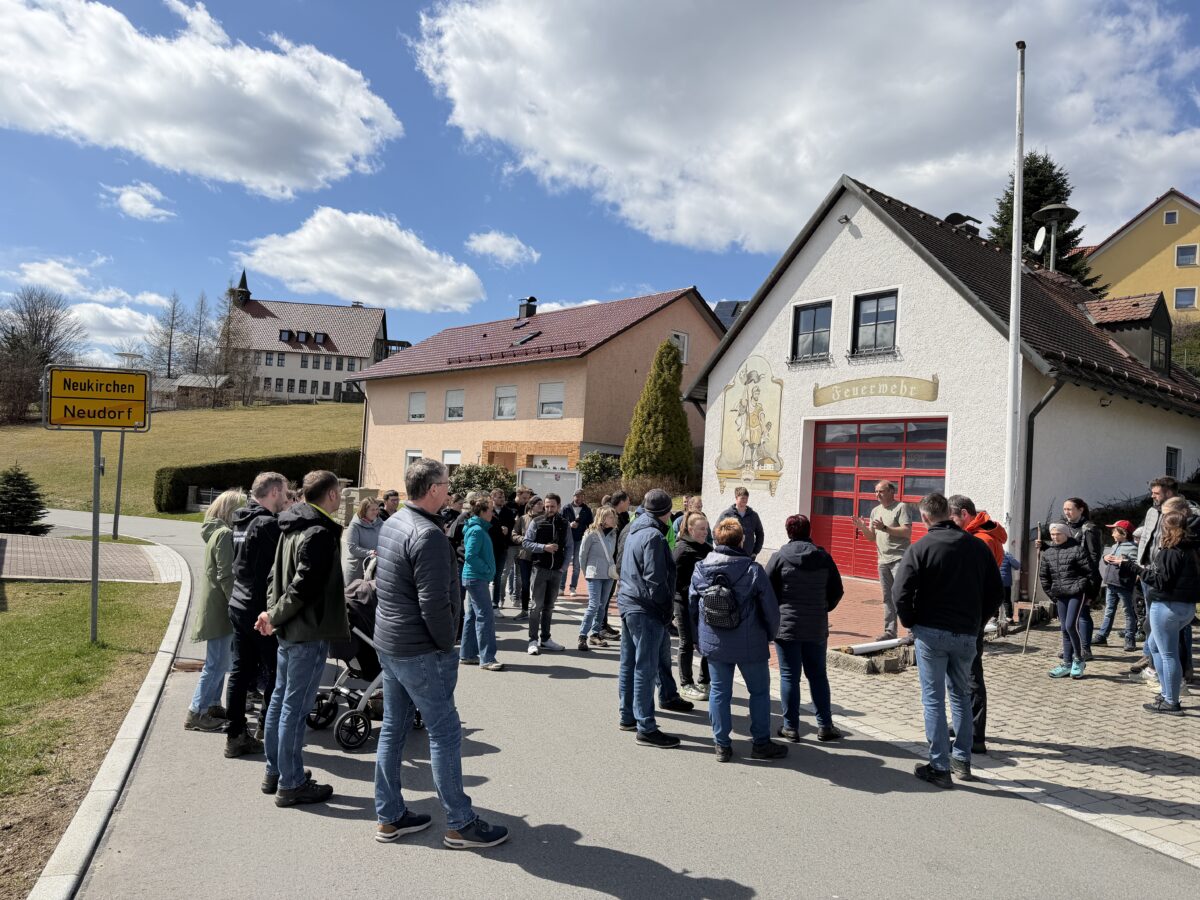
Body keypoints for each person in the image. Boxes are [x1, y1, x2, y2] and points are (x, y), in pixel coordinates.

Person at [373, 458, 509, 848]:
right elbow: (433, 604)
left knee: (394, 730)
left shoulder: (395, 521)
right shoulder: (427, 534)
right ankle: (460, 822)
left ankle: (390, 816)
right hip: (419, 649)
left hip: (392, 643)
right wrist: (447, 643)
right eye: (447, 485)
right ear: (433, 489)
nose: (450, 491)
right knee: (445, 732)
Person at [894, 493, 1002, 787]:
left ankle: (940, 766)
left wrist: (910, 621)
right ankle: (962, 761)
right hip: (966, 633)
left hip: (931, 632)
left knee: (933, 699)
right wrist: (978, 622)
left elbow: (900, 592)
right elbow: (996, 591)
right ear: (949, 513)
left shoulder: (921, 547)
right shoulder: (977, 547)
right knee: (961, 696)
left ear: (925, 517)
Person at [258, 470, 350, 806]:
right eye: (339, 492)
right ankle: (292, 782)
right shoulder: (319, 531)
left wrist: (271, 614)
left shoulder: (292, 523)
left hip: (289, 630)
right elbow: (303, 588)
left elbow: (274, 578)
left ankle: (277, 771)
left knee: (280, 702)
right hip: (306, 632)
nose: (341, 497)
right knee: (293, 710)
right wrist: (274, 615)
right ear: (331, 495)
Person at [690, 517, 785, 762]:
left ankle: (721, 745)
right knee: (759, 692)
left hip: (714, 641)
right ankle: (760, 743)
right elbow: (770, 609)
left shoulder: (701, 568)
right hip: (750, 641)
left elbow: (692, 605)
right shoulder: (753, 570)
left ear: (716, 539)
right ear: (742, 540)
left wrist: (697, 638)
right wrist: (770, 634)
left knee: (719, 692)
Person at [764, 514, 845, 743]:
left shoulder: (779, 557)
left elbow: (766, 590)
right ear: (810, 531)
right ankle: (825, 726)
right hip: (815, 626)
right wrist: (824, 607)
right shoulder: (823, 557)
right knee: (818, 676)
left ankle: (790, 727)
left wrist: (777, 613)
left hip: (787, 626)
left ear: (788, 532)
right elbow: (837, 590)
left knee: (790, 676)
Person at [224, 471, 287, 759]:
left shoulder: (241, 518)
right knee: (276, 671)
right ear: (273, 492)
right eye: (284, 492)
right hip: (260, 608)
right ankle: (266, 728)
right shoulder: (266, 524)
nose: (286, 498)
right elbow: (281, 566)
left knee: (240, 671)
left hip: (238, 603)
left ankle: (235, 735)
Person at [617, 488, 684, 748]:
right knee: (645, 668)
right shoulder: (654, 536)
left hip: (629, 602)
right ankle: (646, 726)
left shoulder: (634, 530)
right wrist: (666, 612)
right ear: (666, 513)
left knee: (629, 663)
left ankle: (628, 716)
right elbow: (656, 580)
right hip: (646, 608)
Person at [948, 494, 1005, 755]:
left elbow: (980, 584)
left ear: (964, 514)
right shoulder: (978, 535)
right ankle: (963, 722)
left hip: (971, 616)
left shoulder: (981, 540)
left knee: (971, 676)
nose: (949, 522)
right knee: (963, 674)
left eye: (951, 517)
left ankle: (975, 735)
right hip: (970, 614)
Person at [184, 488, 245, 733]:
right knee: (217, 663)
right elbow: (226, 575)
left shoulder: (217, 532)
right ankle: (196, 712)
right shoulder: (225, 534)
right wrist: (237, 604)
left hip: (218, 606)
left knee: (220, 661)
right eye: (242, 509)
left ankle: (211, 704)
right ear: (231, 511)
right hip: (222, 608)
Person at [1127, 510, 1196, 715]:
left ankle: (1171, 701)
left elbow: (1160, 581)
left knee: (1168, 654)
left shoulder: (1171, 551)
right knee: (1154, 646)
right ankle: (1167, 693)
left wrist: (1134, 568)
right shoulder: (1192, 549)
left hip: (1167, 606)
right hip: (1186, 607)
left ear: (1167, 528)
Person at [853, 480, 911, 641]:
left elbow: (907, 532)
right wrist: (862, 527)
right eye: (876, 491)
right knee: (887, 598)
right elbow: (872, 537)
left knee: (903, 595)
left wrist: (885, 528)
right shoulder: (875, 511)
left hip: (899, 558)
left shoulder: (901, 507)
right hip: (883, 561)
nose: (877, 494)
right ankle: (890, 631)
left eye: (881, 491)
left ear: (892, 491)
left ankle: (912, 632)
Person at [1039, 522, 1093, 680]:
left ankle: (1079, 660)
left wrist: (1086, 591)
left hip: (1076, 592)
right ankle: (1067, 663)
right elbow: (1044, 576)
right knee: (1064, 628)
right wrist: (1052, 594)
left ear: (1066, 534)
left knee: (1070, 625)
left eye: (1058, 534)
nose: (1055, 537)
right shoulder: (1048, 553)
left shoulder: (1077, 550)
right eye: (1052, 534)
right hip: (1060, 595)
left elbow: (1090, 572)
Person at [460, 496, 503, 671]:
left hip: (475, 577)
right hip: (476, 578)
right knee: (485, 616)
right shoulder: (477, 530)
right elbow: (470, 556)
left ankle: (467, 654)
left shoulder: (477, 528)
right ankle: (487, 658)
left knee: (472, 616)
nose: (493, 514)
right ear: (483, 512)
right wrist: (486, 569)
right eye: (491, 511)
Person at [673, 511, 713, 701]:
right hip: (683, 602)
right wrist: (695, 589)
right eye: (701, 529)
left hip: (704, 604)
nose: (705, 532)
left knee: (707, 642)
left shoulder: (709, 549)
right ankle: (686, 684)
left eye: (706, 528)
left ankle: (704, 681)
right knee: (687, 642)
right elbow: (674, 581)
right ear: (690, 529)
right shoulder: (682, 550)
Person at [524, 492, 569, 655]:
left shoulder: (564, 523)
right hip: (539, 569)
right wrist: (544, 547)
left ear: (559, 506)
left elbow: (569, 546)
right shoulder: (536, 522)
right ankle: (532, 640)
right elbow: (526, 543)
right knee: (536, 606)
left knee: (549, 607)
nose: (549, 509)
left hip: (556, 571)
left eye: (552, 506)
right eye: (547, 506)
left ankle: (546, 638)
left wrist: (563, 566)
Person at [1061, 498, 1101, 659]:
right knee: (1068, 616)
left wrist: (1089, 577)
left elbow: (1094, 556)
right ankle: (1070, 648)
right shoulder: (1065, 527)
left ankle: (1085, 649)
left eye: (1069, 509)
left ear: (1081, 509)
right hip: (1066, 576)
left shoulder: (1089, 529)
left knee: (1083, 613)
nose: (1066, 512)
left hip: (1082, 577)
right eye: (1065, 509)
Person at [577, 505, 618, 649]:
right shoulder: (591, 533)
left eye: (614, 516)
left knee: (602, 606)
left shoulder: (613, 534)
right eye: (611, 517)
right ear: (602, 518)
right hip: (594, 574)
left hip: (609, 574)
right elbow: (582, 555)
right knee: (593, 605)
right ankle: (582, 635)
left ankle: (595, 634)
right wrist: (586, 572)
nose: (614, 519)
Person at [1097, 519, 1139, 652]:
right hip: (1111, 583)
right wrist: (1105, 558)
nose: (1112, 534)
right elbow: (1109, 559)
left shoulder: (1133, 547)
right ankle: (1102, 636)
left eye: (1115, 531)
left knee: (1128, 612)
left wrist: (1123, 561)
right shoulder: (1115, 546)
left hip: (1124, 585)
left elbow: (1136, 565)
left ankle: (1130, 638)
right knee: (1109, 611)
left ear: (1124, 533)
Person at [512, 497, 543, 619]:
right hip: (525, 555)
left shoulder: (545, 519)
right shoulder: (523, 519)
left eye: (542, 504)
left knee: (537, 585)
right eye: (539, 504)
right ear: (531, 505)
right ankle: (524, 610)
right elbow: (514, 534)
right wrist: (524, 540)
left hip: (540, 556)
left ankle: (537, 611)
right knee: (525, 584)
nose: (541, 506)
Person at [488, 487, 517, 610]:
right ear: (492, 498)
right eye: (499, 497)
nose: (502, 499)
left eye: (503, 497)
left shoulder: (508, 512)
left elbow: (513, 529)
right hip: (488, 548)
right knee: (486, 576)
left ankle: (495, 602)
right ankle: (485, 602)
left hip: (502, 548)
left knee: (498, 576)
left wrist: (507, 530)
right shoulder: (488, 510)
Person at [561, 489, 593, 596]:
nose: (579, 498)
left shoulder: (587, 509)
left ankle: (573, 587)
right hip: (567, 539)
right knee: (565, 563)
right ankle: (561, 587)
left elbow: (590, 524)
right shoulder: (566, 508)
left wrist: (587, 532)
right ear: (573, 496)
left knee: (576, 564)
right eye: (577, 496)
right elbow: (560, 521)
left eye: (582, 496)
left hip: (580, 539)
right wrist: (569, 524)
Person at [718, 486, 765, 558]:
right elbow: (716, 531)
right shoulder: (726, 514)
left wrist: (755, 551)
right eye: (742, 498)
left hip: (748, 555)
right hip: (730, 555)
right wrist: (722, 548)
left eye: (746, 498)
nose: (745, 500)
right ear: (736, 498)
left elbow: (760, 533)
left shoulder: (753, 515)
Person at [344, 497, 382, 584]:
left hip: (374, 569)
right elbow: (352, 548)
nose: (375, 512)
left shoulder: (380, 523)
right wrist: (370, 552)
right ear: (364, 510)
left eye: (377, 509)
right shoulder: (354, 525)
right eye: (372, 510)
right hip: (357, 570)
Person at [999, 550, 1021, 622]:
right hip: (1005, 582)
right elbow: (1017, 566)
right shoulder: (1007, 555)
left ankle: (994, 618)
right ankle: (1009, 617)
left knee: (994, 600)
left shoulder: (992, 553)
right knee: (1007, 600)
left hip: (995, 581)